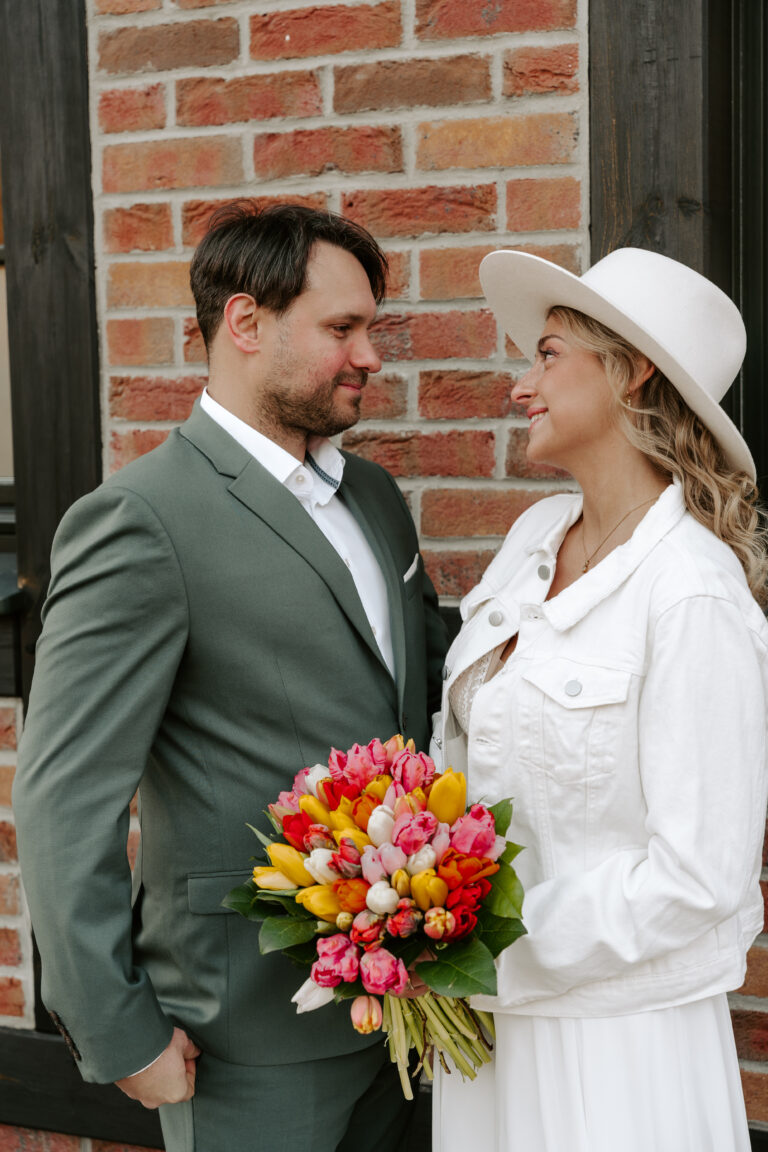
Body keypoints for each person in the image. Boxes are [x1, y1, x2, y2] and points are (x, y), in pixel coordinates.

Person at [13, 202, 447, 1152]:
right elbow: (63, 799)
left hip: (410, 1015)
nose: (371, 356)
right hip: (243, 1035)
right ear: (245, 324)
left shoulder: (374, 496)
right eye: (343, 329)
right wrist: (117, 1029)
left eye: (370, 328)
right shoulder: (139, 520)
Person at [430, 246, 768, 1152]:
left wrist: (481, 939)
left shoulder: (691, 591)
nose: (519, 386)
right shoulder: (536, 536)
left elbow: (701, 873)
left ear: (632, 367)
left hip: (618, 1047)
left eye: (545, 354)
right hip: (492, 1028)